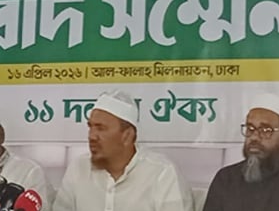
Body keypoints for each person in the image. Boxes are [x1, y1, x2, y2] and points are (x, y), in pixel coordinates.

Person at [53, 90, 192, 211]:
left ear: (127, 136)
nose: (91, 136)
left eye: (101, 128)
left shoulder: (162, 174)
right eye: (91, 127)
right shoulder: (78, 168)